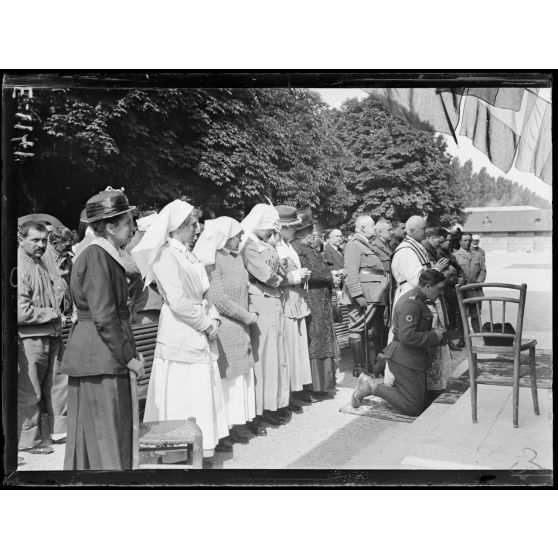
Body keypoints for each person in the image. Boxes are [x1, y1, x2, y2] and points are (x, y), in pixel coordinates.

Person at [132, 200, 229, 460]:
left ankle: (199, 444)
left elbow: (204, 293)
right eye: (192, 224)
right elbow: (177, 301)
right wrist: (206, 324)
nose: (197, 229)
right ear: (177, 227)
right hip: (180, 329)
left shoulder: (189, 253)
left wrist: (214, 316)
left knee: (197, 389)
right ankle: (177, 449)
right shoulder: (165, 255)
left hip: (197, 321)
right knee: (182, 389)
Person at [61, 188, 144, 470]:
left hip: (101, 356)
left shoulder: (106, 254)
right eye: (128, 223)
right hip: (100, 358)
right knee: (106, 438)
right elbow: (105, 316)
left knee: (100, 437)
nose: (133, 228)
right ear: (110, 227)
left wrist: (129, 352)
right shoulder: (97, 256)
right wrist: (128, 357)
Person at [194, 216, 258, 444]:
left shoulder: (236, 258)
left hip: (241, 326)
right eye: (237, 235)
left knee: (241, 378)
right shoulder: (211, 259)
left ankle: (240, 423)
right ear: (225, 236)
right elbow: (218, 298)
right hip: (226, 326)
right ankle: (227, 428)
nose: (241, 238)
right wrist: (247, 316)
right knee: (228, 381)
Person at [351, 269, 447, 416]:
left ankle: (396, 388)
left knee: (421, 400)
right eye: (439, 289)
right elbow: (407, 336)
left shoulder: (417, 299)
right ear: (428, 287)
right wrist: (435, 336)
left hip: (412, 358)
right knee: (413, 408)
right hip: (405, 359)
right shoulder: (412, 304)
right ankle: (370, 387)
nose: (440, 293)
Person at [240, 203, 295, 432]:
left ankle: (274, 403)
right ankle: (258, 410)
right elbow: (264, 274)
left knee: (277, 354)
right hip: (260, 298)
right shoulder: (249, 246)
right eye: (269, 229)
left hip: (273, 299)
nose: (272, 233)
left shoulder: (264, 243)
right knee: (263, 355)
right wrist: (285, 277)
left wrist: (281, 269)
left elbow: (275, 271)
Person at [17, 221, 67, 455]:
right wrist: (52, 313)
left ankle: (59, 432)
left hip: (51, 333)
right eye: (35, 240)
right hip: (31, 339)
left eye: (44, 240)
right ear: (21, 239)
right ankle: (29, 441)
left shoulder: (40, 262)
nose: (41, 244)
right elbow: (20, 312)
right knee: (31, 390)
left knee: (58, 384)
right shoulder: (19, 266)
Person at [385, 216, 449, 386]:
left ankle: (426, 380)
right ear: (412, 230)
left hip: (422, 295)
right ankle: (399, 379)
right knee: (409, 333)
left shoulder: (416, 246)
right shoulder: (405, 250)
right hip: (411, 296)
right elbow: (416, 279)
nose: (425, 231)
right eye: (422, 228)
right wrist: (436, 269)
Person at [293, 210, 339, 394]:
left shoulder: (308, 248)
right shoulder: (298, 248)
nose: (313, 232)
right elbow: (309, 272)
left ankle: (325, 384)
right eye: (310, 229)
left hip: (320, 297)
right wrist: (329, 277)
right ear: (301, 231)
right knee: (316, 338)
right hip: (312, 297)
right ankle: (316, 385)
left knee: (323, 337)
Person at [340, 215, 389, 378]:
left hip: (372, 294)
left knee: (363, 330)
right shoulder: (354, 245)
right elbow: (350, 272)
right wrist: (357, 294)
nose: (375, 228)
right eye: (372, 225)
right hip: (363, 295)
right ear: (362, 228)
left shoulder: (365, 244)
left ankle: (365, 366)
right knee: (357, 328)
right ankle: (359, 367)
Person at [276, 206, 313, 407]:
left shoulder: (287, 245)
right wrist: (293, 277)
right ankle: (289, 392)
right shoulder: (277, 247)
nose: (295, 231)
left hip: (296, 298)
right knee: (289, 346)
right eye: (292, 227)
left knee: (298, 346)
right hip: (286, 298)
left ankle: (297, 389)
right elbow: (274, 277)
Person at [124, 211, 163, 324]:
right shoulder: (135, 247)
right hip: (146, 308)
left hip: (152, 306)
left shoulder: (142, 243)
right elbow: (151, 276)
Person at [453, 232, 487, 334]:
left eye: (469, 240)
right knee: (461, 316)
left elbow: (483, 270)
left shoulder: (478, 255)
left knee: (476, 315)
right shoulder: (454, 256)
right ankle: (462, 338)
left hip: (476, 290)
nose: (468, 243)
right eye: (465, 240)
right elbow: (454, 273)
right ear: (460, 242)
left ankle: (478, 336)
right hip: (462, 291)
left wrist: (478, 283)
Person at [43, 225, 74, 322]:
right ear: (54, 243)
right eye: (67, 246)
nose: (70, 249)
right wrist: (57, 313)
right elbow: (44, 291)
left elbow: (72, 283)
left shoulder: (67, 257)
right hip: (52, 315)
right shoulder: (43, 258)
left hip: (68, 313)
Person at [372, 218, 394, 349]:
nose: (392, 232)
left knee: (387, 325)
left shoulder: (387, 247)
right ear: (379, 233)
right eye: (389, 230)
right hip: (380, 293)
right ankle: (379, 357)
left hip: (389, 292)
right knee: (379, 326)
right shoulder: (374, 247)